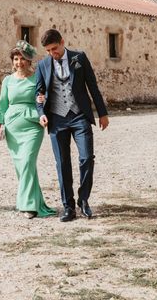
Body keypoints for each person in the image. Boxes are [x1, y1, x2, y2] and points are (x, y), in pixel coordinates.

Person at [35, 29, 109, 222]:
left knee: (86, 158)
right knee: (62, 164)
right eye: (49, 50)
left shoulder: (79, 58)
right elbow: (38, 94)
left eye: (55, 48)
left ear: (62, 42)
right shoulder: (42, 65)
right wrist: (41, 113)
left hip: (79, 116)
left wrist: (102, 113)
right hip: (57, 119)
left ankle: (83, 200)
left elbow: (92, 85)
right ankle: (68, 206)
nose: (53, 53)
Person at [0, 40, 56, 219]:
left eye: (22, 59)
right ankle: (34, 202)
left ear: (29, 60)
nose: (18, 63)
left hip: (33, 125)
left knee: (27, 162)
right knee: (21, 166)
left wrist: (44, 101)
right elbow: (3, 103)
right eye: (15, 59)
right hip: (12, 126)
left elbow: (44, 97)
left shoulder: (37, 77)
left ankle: (28, 206)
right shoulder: (7, 81)